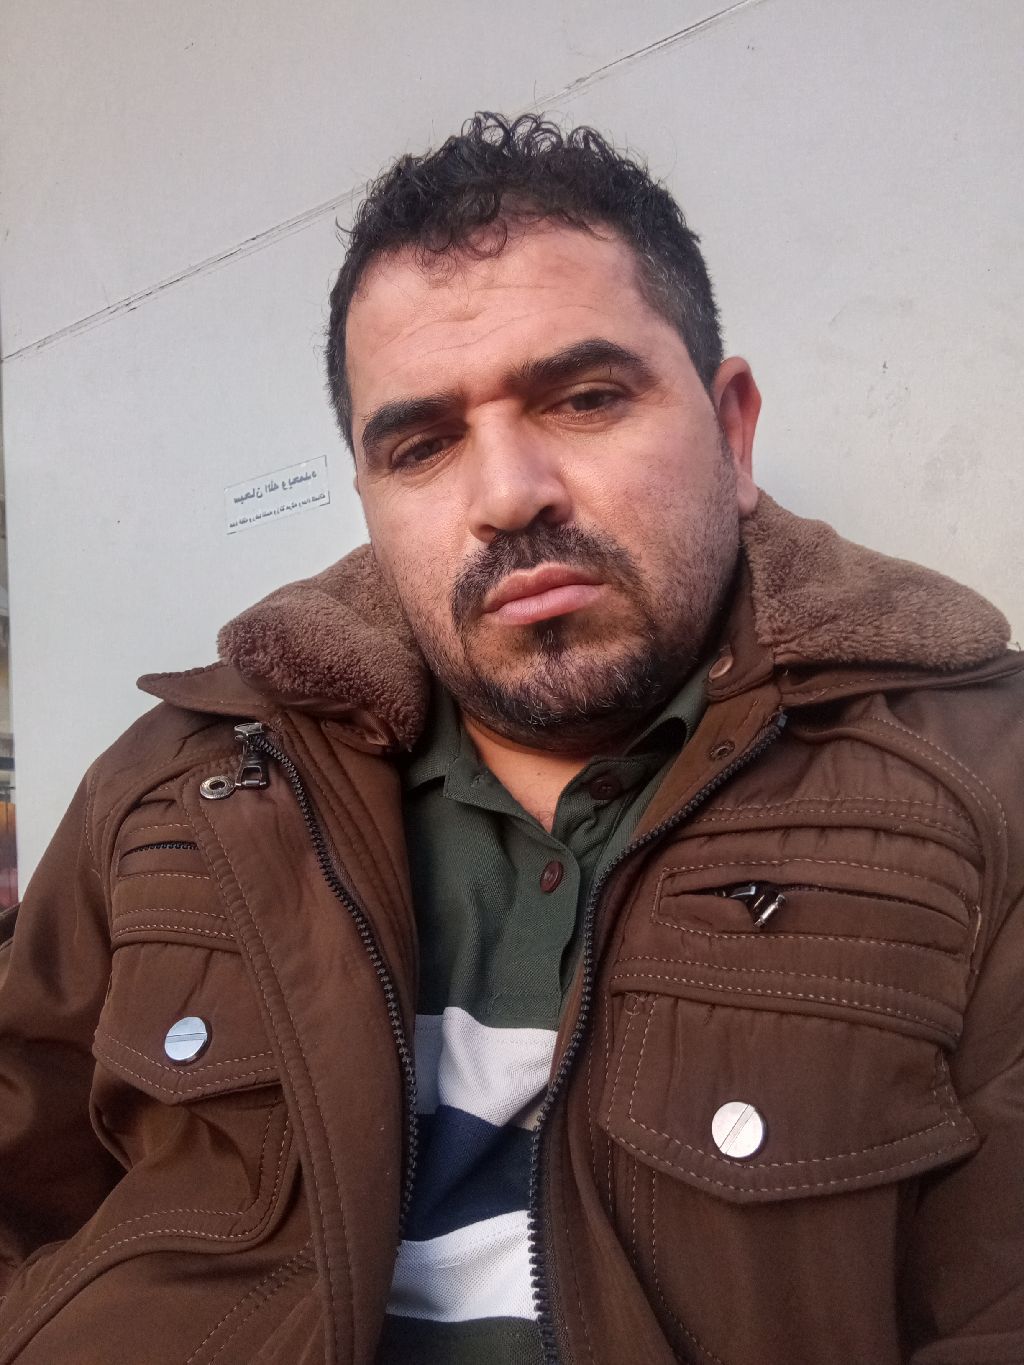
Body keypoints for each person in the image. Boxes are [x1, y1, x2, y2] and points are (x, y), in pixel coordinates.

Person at [0, 112, 1021, 1365]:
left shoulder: (984, 777)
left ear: (731, 430)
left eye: (585, 399)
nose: (506, 495)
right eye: (423, 445)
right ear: (370, 496)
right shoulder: (181, 778)